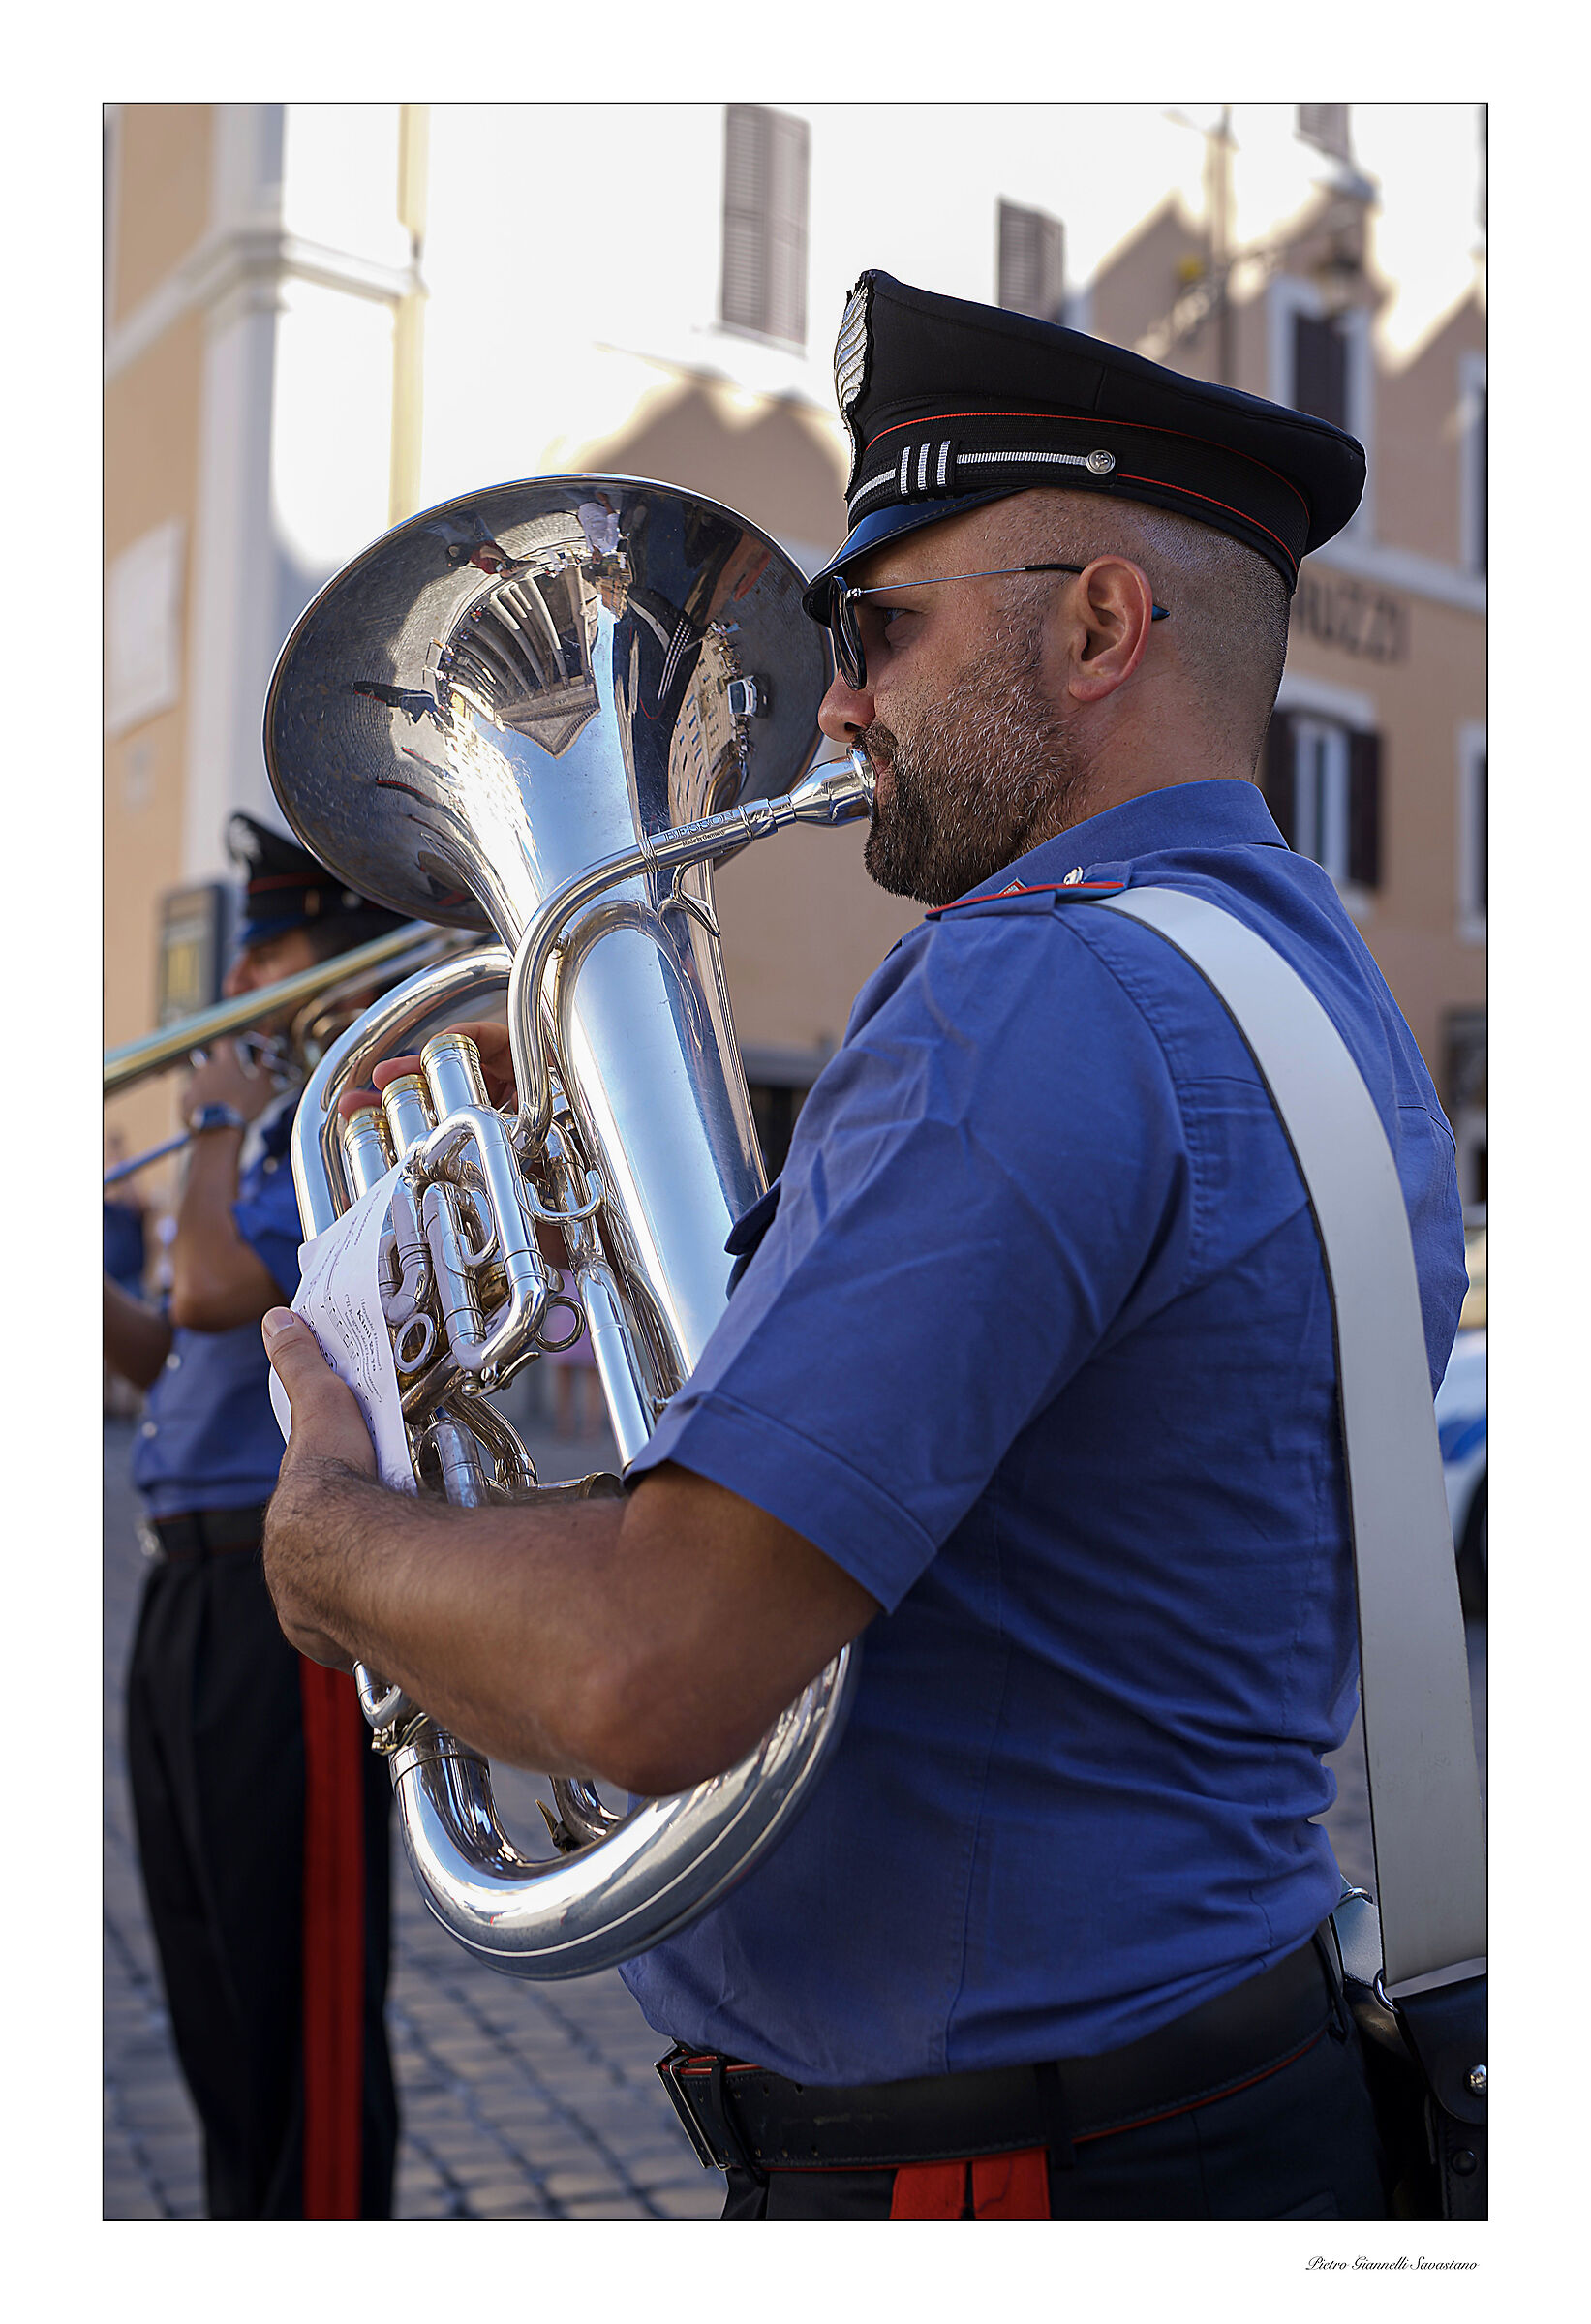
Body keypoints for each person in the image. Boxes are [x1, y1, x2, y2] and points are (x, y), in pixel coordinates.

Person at [260, 271, 1467, 2220]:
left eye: (882, 627)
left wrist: (326, 1531)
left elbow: (652, 1673)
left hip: (1000, 2173)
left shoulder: (1027, 998)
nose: (831, 703)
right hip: (1220, 2094)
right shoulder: (1325, 1006)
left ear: (1097, 625)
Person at [103, 814, 408, 2219]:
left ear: (330, 967)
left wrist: (215, 1122)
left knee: (299, 1996)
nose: (238, 980)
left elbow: (226, 1286)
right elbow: (176, 1351)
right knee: (212, 1979)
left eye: (266, 951)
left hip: (278, 1593)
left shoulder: (343, 1129)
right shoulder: (265, 1137)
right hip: (181, 1583)